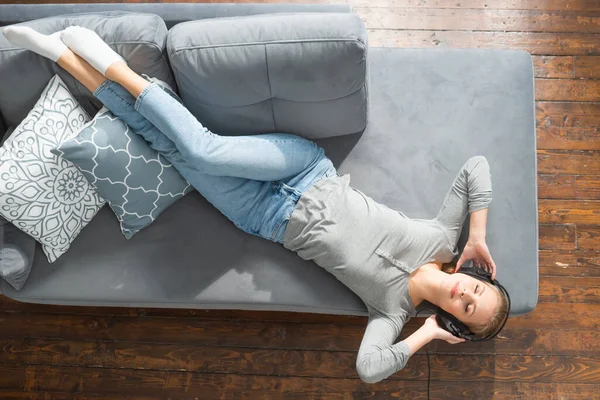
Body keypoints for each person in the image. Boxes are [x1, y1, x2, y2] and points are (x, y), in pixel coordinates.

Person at [3, 25, 510, 383]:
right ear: (479, 277)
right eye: (478, 290)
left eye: (467, 309)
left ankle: (63, 56)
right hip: (303, 170)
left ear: (455, 321)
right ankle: (112, 64)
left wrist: (426, 337)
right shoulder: (445, 238)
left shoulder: (392, 312)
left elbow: (368, 369)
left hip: (262, 214)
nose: (466, 293)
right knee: (201, 147)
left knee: (169, 149)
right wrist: (479, 236)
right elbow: (476, 168)